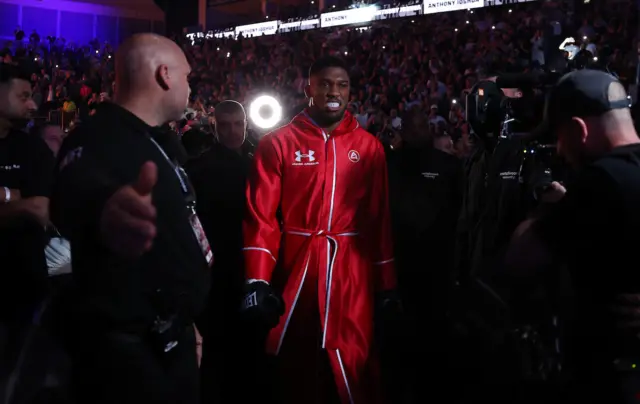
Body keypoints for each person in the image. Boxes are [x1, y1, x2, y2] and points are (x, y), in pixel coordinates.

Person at [51, 33, 210, 404]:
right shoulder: (97, 136)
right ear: (165, 75)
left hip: (170, 339)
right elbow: (78, 191)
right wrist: (106, 210)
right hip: (130, 359)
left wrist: (185, 320)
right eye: (187, 77)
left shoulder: (157, 140)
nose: (190, 86)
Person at [241, 56, 398, 404]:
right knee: (298, 358)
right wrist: (257, 279)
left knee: (354, 359)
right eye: (326, 83)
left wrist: (386, 284)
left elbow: (378, 218)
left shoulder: (369, 147)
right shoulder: (277, 143)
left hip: (351, 272)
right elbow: (261, 216)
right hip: (298, 268)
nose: (334, 92)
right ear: (308, 87)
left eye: (342, 85)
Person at [506, 70, 638, 404]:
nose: (561, 151)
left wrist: (548, 208)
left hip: (612, 376)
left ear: (579, 129)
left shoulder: (597, 184)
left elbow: (521, 258)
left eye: (560, 138)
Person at [185, 100, 255, 403]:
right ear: (214, 127)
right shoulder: (199, 169)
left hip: (255, 265)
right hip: (217, 271)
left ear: (246, 124)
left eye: (237, 124)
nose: (232, 131)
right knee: (218, 349)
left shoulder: (262, 160)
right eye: (224, 125)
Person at [0, 62, 53, 399]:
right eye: (23, 96)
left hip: (24, 290)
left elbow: (43, 210)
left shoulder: (32, 148)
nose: (32, 104)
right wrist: (14, 197)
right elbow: (29, 205)